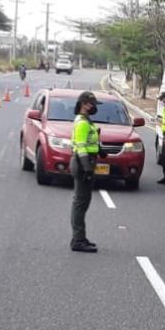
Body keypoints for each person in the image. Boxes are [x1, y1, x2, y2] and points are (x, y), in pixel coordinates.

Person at [70, 91, 106, 253]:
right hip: (82, 162)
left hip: (89, 161)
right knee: (80, 203)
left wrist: (100, 149)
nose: (93, 107)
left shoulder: (86, 121)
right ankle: (78, 240)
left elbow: (90, 141)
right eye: (92, 104)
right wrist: (86, 168)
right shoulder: (82, 123)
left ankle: (80, 237)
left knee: (84, 202)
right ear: (84, 104)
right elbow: (81, 146)